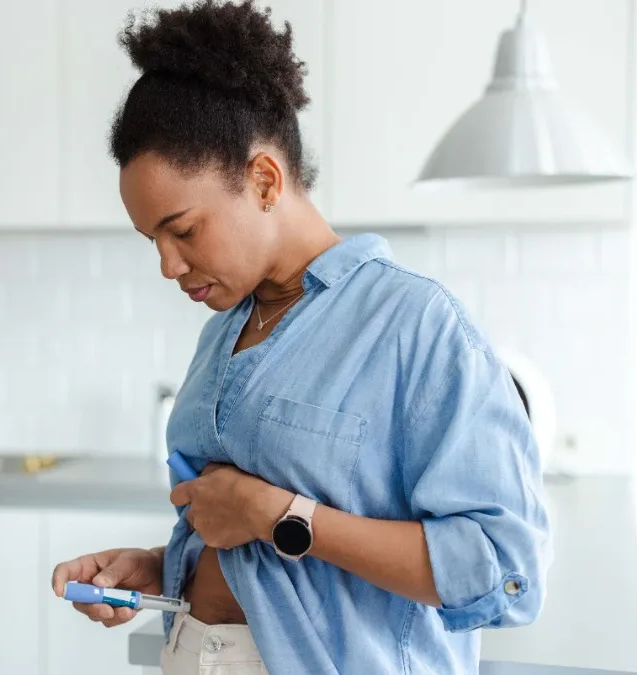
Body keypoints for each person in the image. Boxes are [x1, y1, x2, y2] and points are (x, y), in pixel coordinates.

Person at [49, 1, 552, 672]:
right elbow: (240, 540)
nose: (168, 265)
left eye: (184, 230)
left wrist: (283, 515)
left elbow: (505, 568)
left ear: (264, 179)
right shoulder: (226, 331)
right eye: (154, 242)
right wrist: (160, 566)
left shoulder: (414, 326)